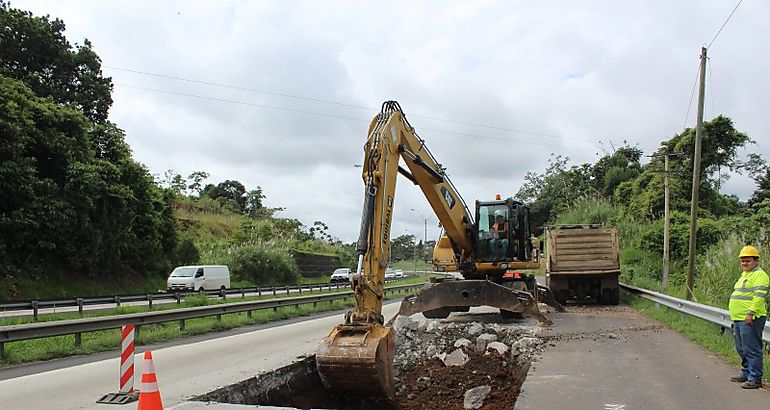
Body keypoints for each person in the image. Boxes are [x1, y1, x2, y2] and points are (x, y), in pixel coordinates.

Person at [729, 245, 769, 389]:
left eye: (748, 261)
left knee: (752, 349)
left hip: (751, 318)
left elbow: (759, 296)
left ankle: (755, 378)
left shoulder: (760, 275)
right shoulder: (744, 275)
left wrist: (750, 313)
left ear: (756, 261)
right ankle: (746, 373)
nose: (744, 263)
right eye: (742, 261)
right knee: (741, 348)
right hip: (739, 318)